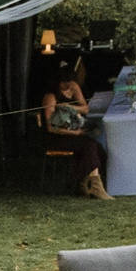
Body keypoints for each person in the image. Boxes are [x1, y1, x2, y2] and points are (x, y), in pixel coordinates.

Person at [43, 68, 108, 200]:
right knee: (89, 146)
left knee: (97, 147)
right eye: (64, 84)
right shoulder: (50, 97)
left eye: (70, 82)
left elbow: (85, 108)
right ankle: (96, 186)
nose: (68, 86)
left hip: (74, 132)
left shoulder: (73, 87)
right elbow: (51, 127)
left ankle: (81, 184)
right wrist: (74, 132)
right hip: (58, 136)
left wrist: (69, 107)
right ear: (58, 83)